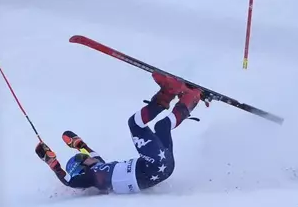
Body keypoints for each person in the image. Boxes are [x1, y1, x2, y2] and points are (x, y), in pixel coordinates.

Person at [34, 72, 203, 194]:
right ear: (83, 167)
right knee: (135, 124)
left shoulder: (99, 166)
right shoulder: (93, 178)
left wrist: (78, 144)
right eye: (85, 158)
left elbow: (88, 150)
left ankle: (190, 99)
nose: (89, 155)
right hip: (153, 166)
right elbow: (68, 180)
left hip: (163, 167)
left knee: (162, 127)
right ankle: (167, 93)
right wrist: (52, 162)